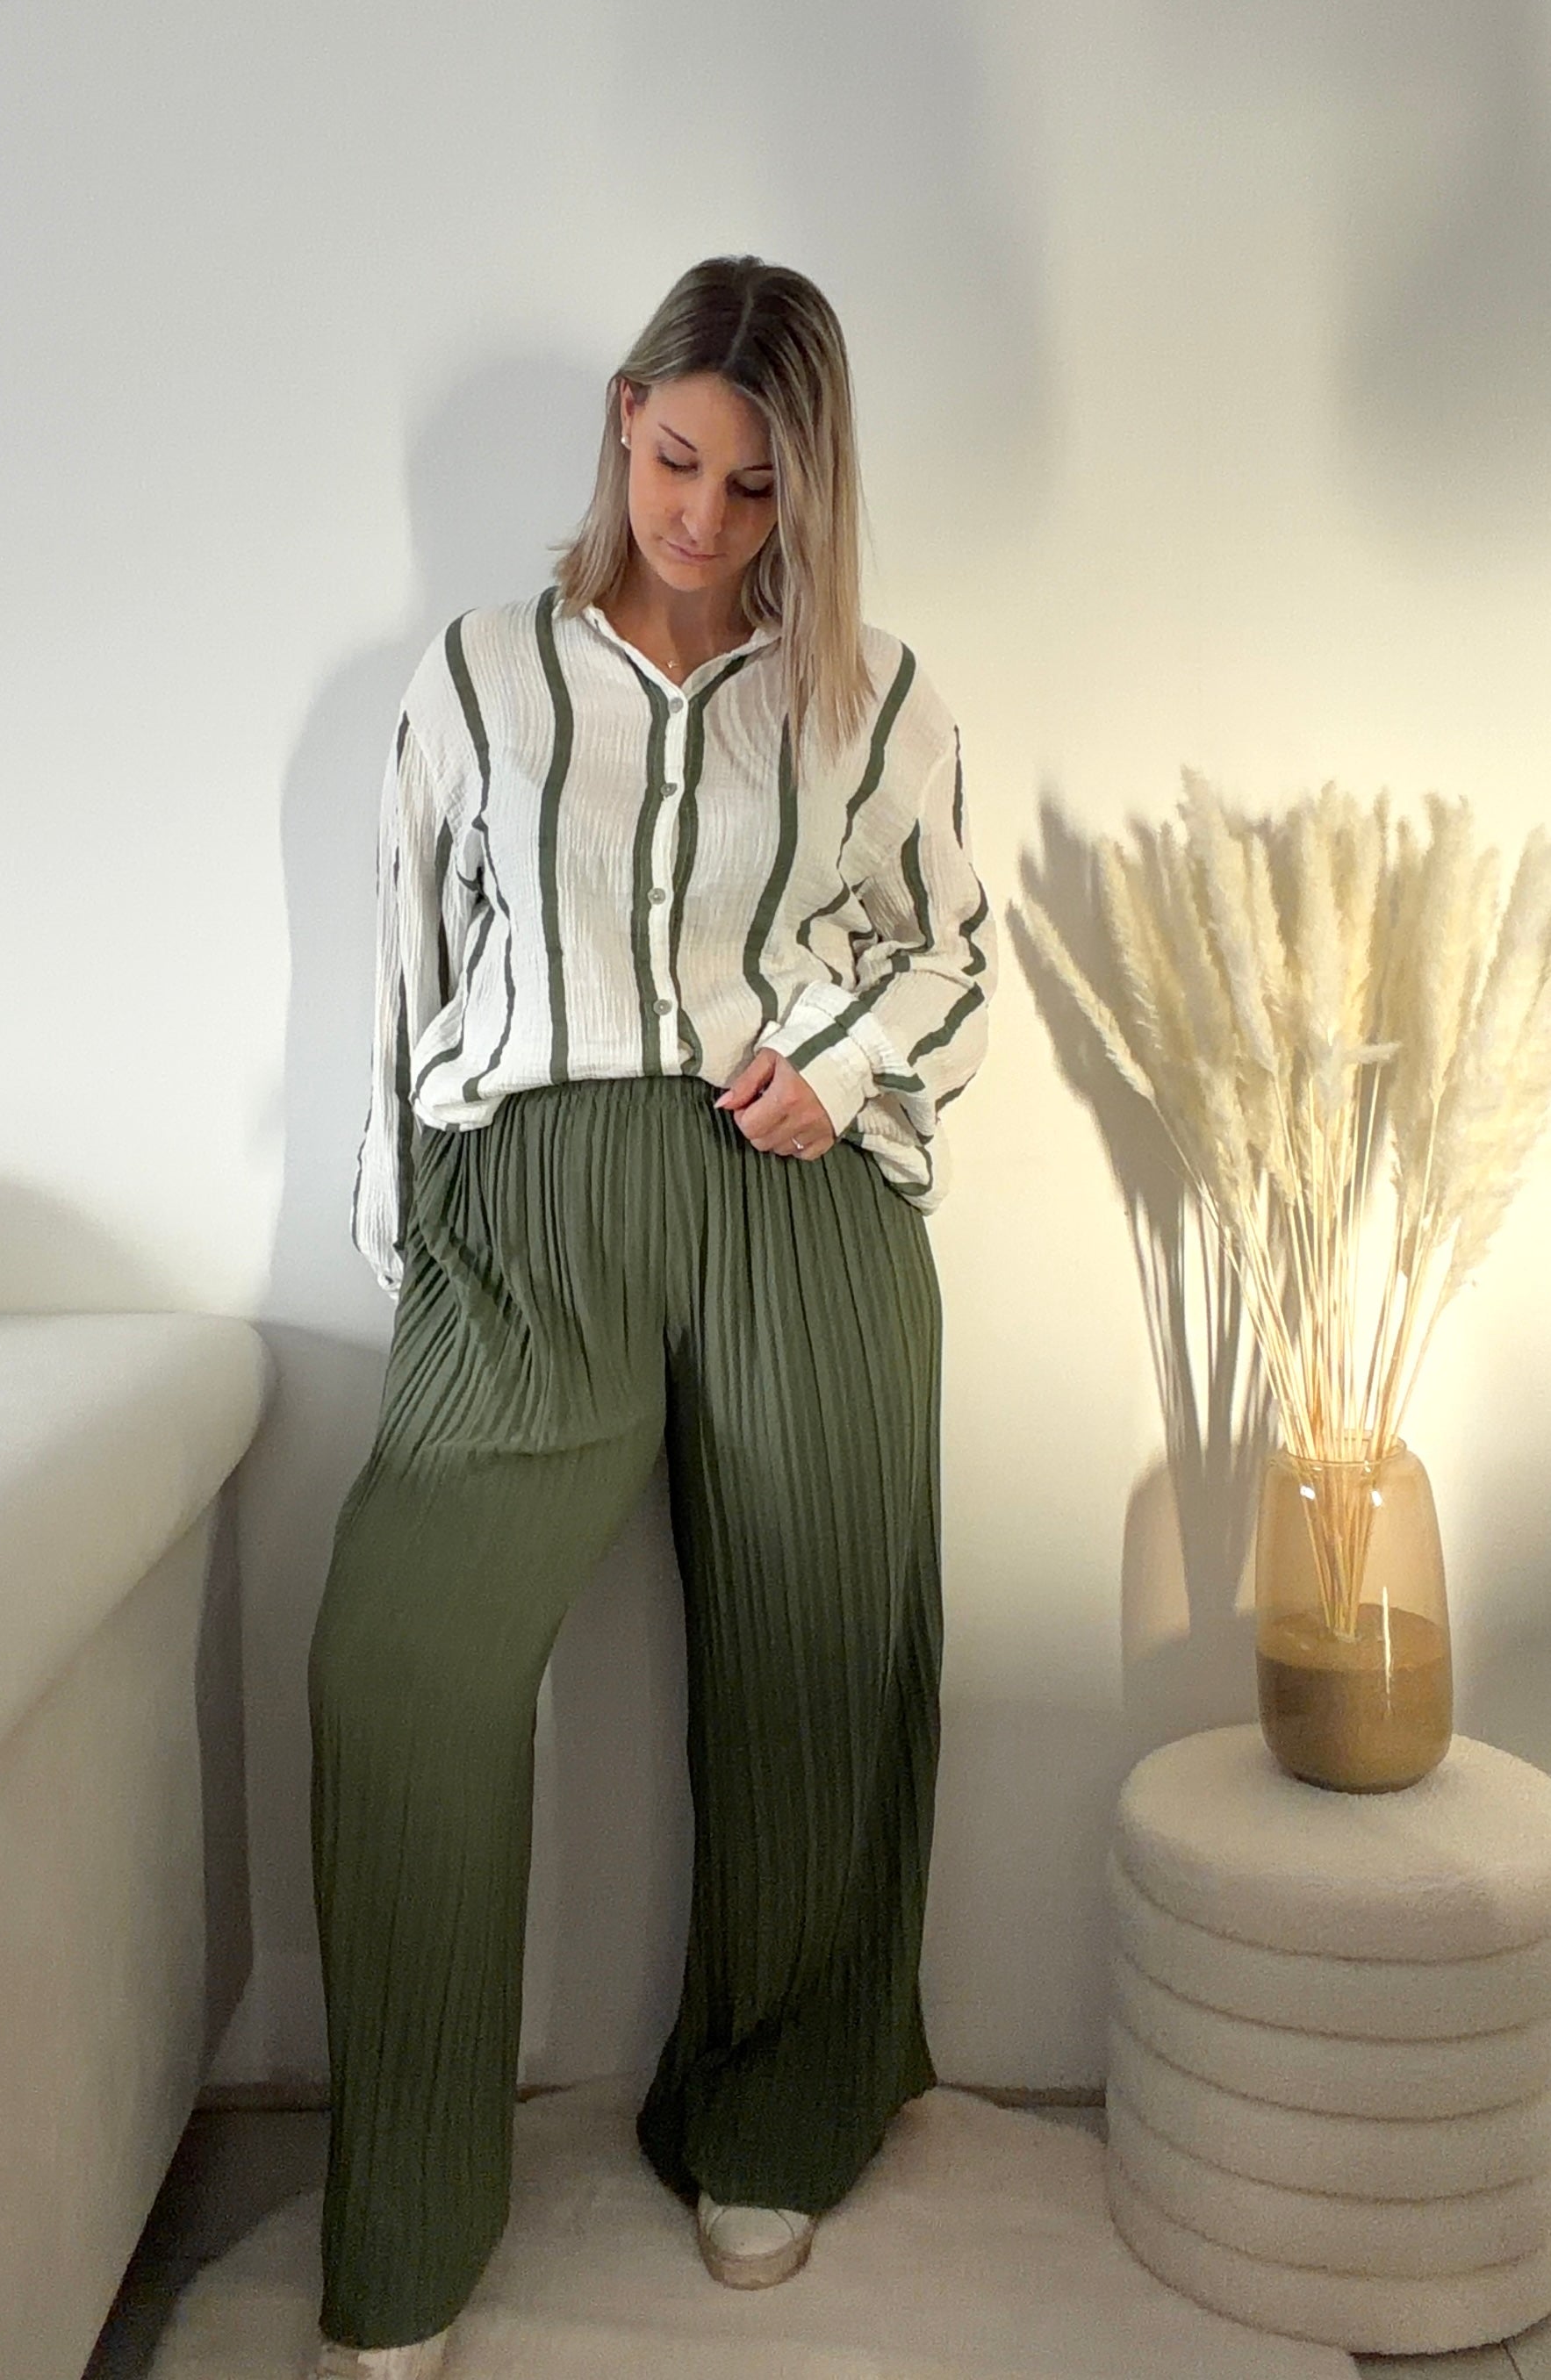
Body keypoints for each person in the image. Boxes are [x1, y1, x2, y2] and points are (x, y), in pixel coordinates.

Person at [306, 254, 997, 2378]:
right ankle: (409, 2219)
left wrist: (842, 1057)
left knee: (815, 1664)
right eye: (679, 458)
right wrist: (411, 1232)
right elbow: (408, 965)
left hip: (796, 1199)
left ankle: (772, 2112)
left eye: (756, 486)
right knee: (402, 1674)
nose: (702, 516)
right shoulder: (476, 675)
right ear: (624, 419)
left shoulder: (874, 699)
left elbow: (957, 955)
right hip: (533, 1198)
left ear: (810, 495)